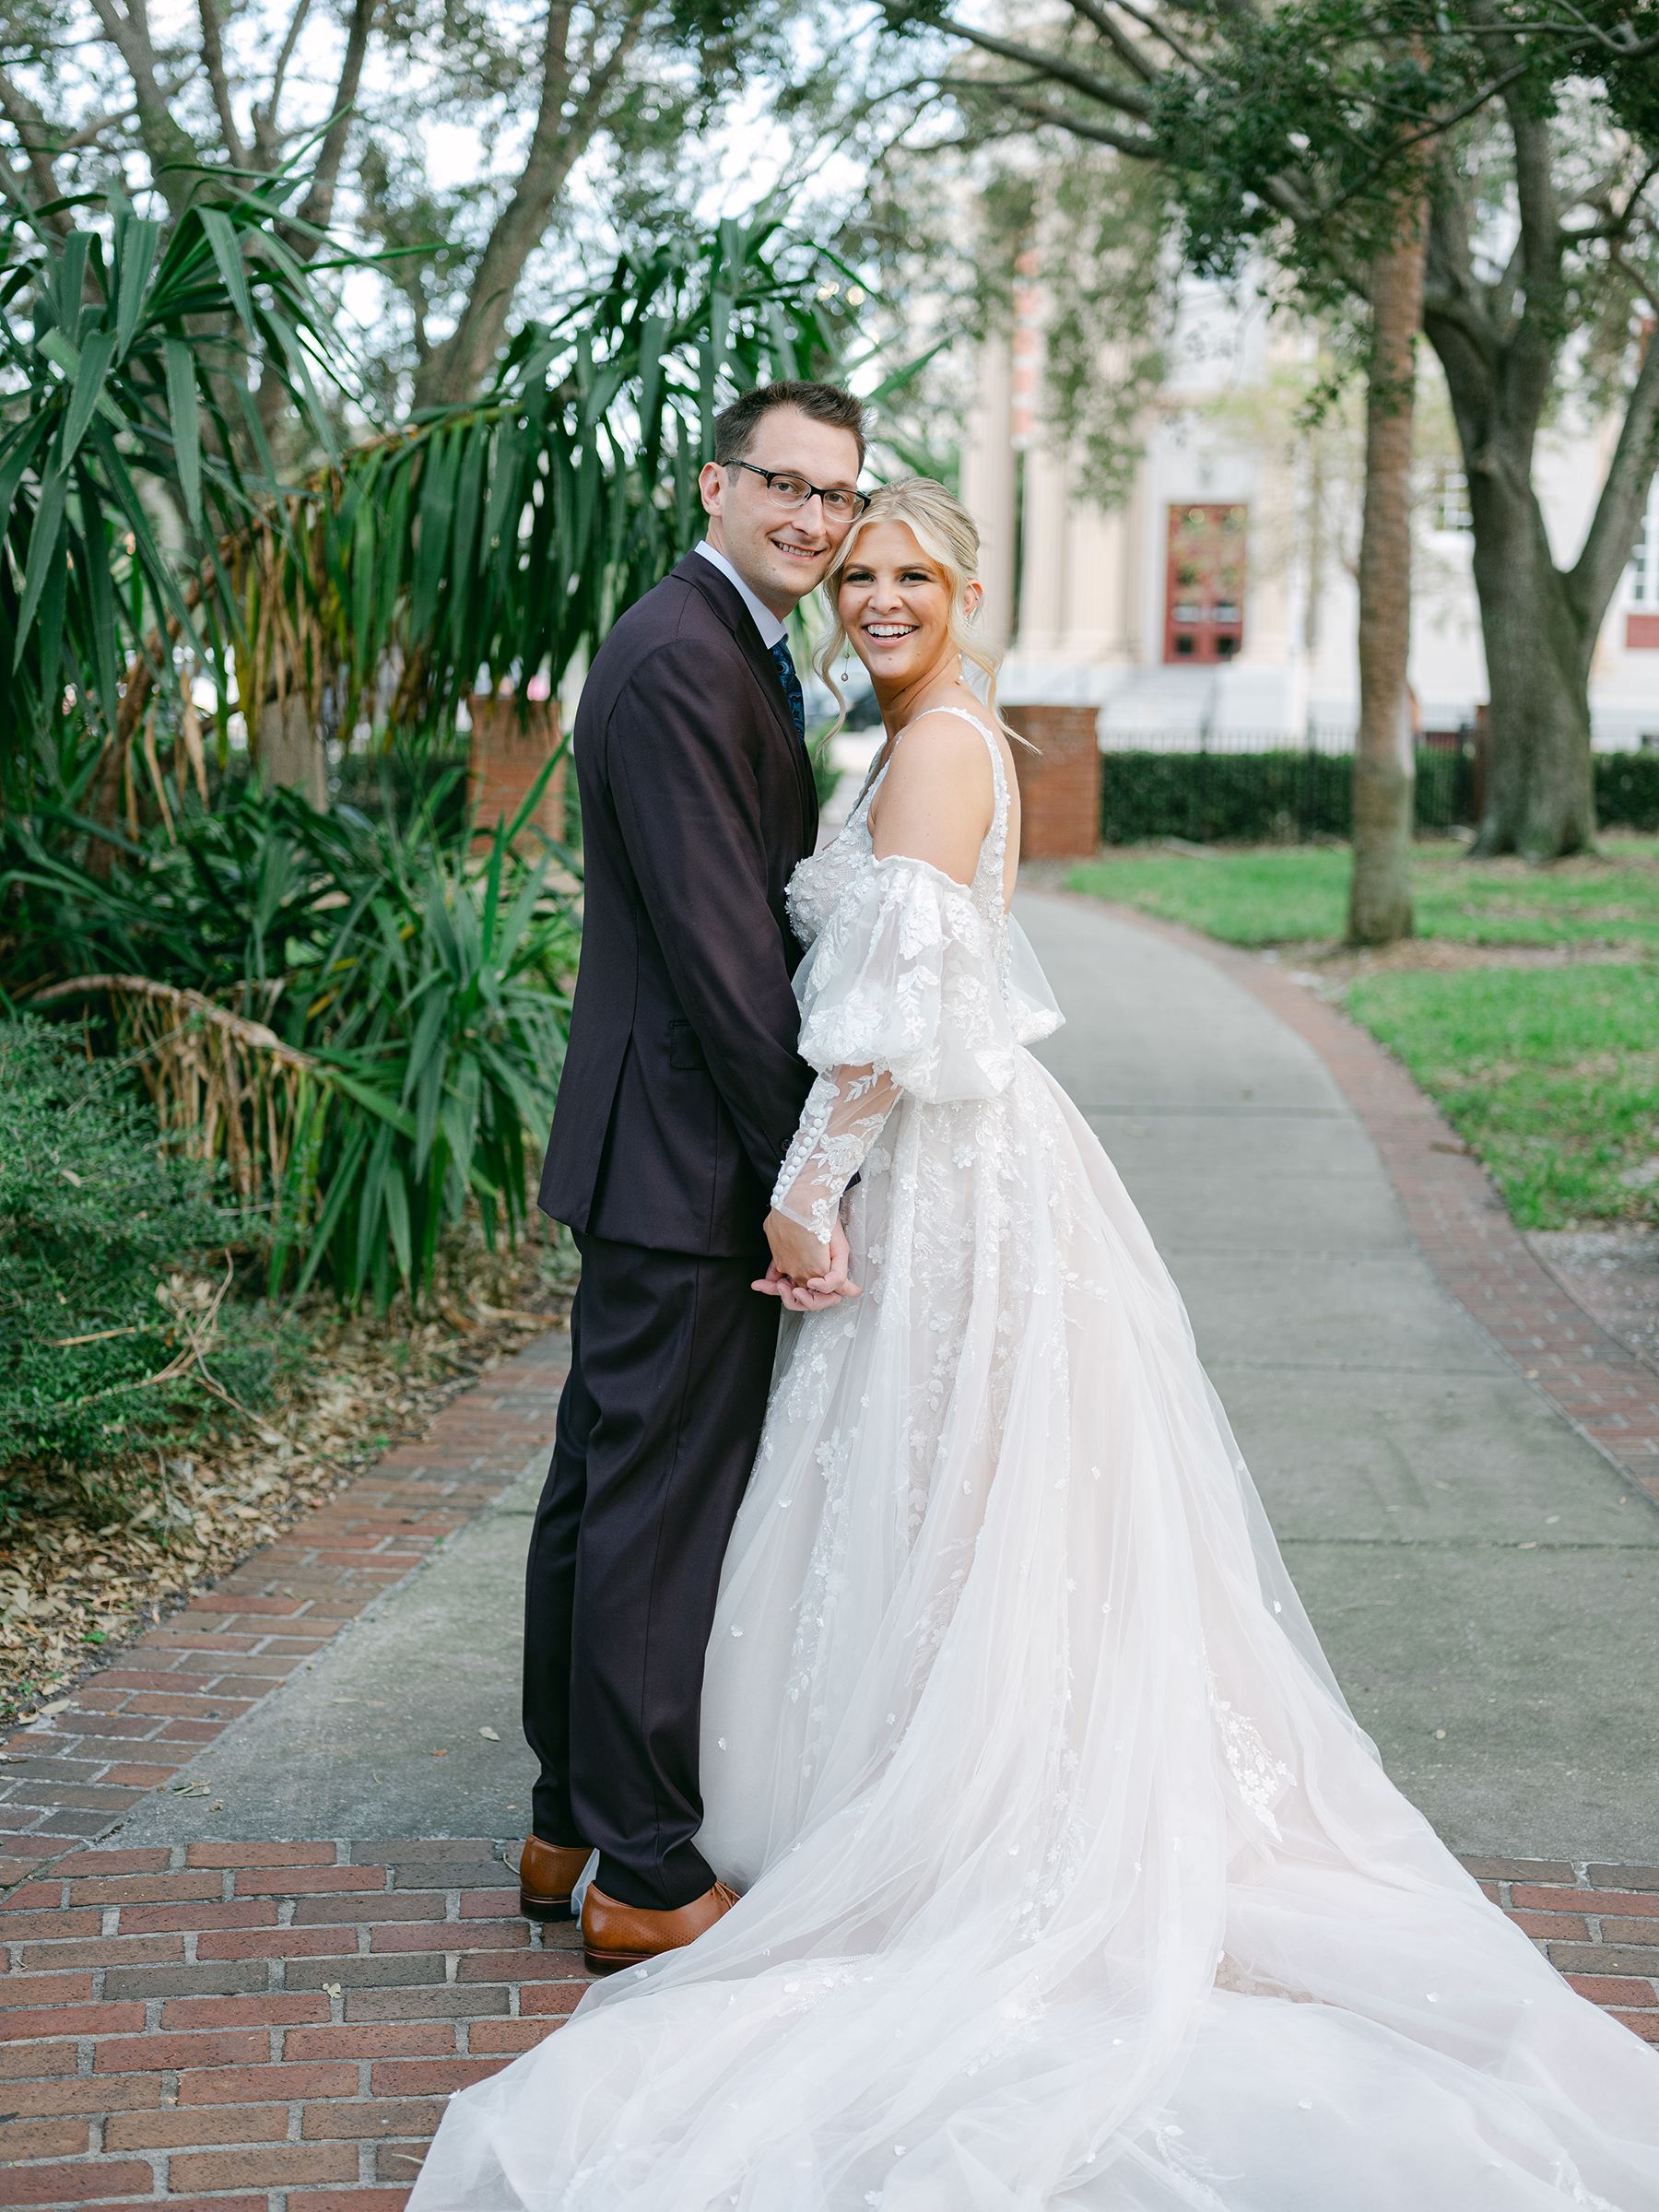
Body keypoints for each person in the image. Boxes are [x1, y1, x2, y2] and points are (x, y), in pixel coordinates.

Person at [424, 480, 1659, 2208]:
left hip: (942, 1169)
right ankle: (883, 1776)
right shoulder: (917, 737)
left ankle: (949, 1804)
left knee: (948, 1483)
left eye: (912, 574)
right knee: (935, 1489)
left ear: (969, 587)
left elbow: (893, 1015)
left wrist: (804, 1193)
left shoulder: (940, 752)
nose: (878, 597)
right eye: (859, 574)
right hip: (940, 1161)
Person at [519, 381, 865, 1973]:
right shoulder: (681, 657)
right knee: (656, 1510)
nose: (814, 518)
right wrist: (808, 1171)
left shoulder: (726, 643)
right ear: (716, 486)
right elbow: (728, 961)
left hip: (656, 1145)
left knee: (606, 1488)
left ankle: (568, 1821)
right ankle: (648, 1870)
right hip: (687, 1155)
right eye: (785, 484)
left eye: (838, 495)